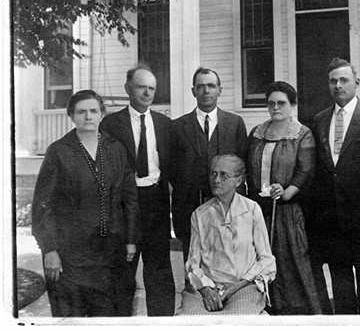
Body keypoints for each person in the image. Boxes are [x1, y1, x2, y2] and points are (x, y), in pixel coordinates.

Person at [32, 90, 139, 317]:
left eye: (93, 111)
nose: (88, 116)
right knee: (71, 320)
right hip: (70, 256)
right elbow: (44, 205)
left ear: (102, 114)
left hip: (109, 254)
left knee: (110, 316)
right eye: (81, 112)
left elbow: (129, 199)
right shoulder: (59, 151)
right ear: (72, 116)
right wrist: (49, 249)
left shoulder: (116, 149)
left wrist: (130, 240)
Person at [100, 65, 175, 316]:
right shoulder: (111, 124)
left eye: (151, 88)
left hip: (156, 201)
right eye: (141, 86)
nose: (147, 92)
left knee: (159, 269)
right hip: (125, 205)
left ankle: (161, 323)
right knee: (123, 269)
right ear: (128, 88)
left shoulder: (165, 124)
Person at [308, 58, 360, 314]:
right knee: (341, 287)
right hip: (332, 220)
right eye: (333, 81)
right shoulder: (319, 119)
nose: (338, 85)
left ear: (356, 83)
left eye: (344, 80)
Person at [247, 81, 322, 315]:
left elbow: (306, 170)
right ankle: (269, 309)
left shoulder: (301, 133)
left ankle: (300, 314)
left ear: (292, 105)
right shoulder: (258, 132)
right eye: (271, 103)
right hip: (260, 208)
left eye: (282, 103)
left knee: (291, 260)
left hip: (288, 210)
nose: (276, 108)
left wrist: (286, 192)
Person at [177, 154, 276, 315]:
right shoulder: (200, 214)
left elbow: (266, 259)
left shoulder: (251, 210)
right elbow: (193, 262)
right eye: (213, 174)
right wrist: (207, 289)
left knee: (236, 320)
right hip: (207, 287)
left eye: (224, 175)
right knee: (188, 319)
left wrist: (237, 286)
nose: (216, 180)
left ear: (238, 181)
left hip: (243, 286)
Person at [170, 67, 248, 260]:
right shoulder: (178, 127)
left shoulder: (235, 123)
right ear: (193, 91)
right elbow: (171, 168)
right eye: (201, 86)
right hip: (189, 207)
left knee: (227, 262)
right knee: (193, 265)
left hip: (227, 207)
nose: (206, 91)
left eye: (211, 86)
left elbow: (242, 164)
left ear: (220, 90)